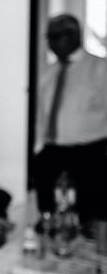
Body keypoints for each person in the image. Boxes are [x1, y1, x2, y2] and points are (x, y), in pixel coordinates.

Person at [33, 13, 107, 230]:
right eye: (50, 37)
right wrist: (39, 147)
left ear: (75, 35)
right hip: (53, 149)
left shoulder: (100, 68)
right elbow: (42, 114)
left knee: (89, 210)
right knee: (48, 206)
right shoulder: (49, 72)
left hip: (90, 151)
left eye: (58, 36)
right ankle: (53, 242)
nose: (53, 43)